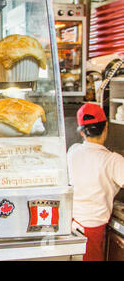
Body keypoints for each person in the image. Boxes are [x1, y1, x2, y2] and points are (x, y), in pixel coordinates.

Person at [67, 103, 124, 261]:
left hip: (72, 224)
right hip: (92, 228)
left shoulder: (74, 151)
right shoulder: (112, 160)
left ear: (81, 132)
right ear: (106, 127)